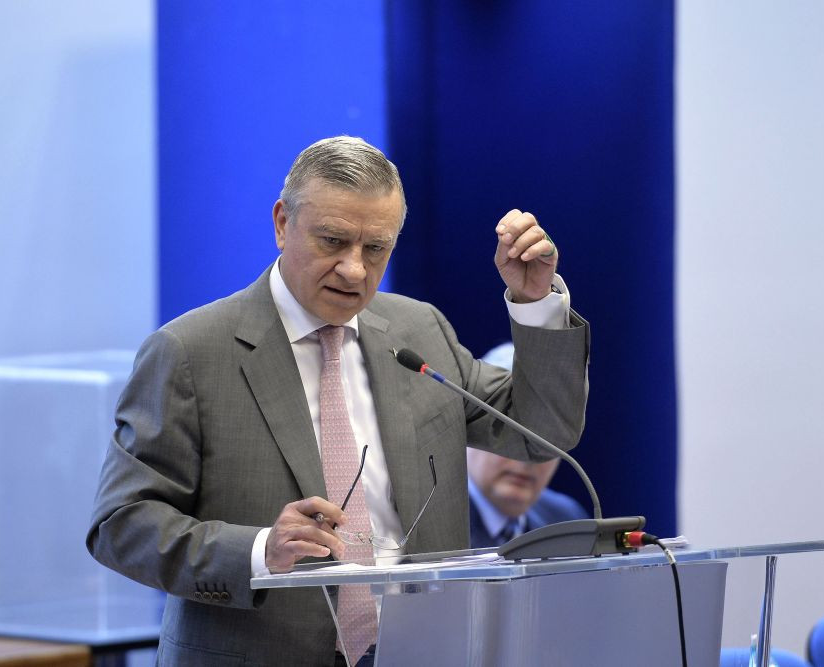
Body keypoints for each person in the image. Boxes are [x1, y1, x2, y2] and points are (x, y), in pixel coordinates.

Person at [86, 136, 590, 666]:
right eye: (332, 241)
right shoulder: (191, 352)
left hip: (421, 651)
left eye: (375, 249)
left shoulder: (419, 330)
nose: (354, 269)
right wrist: (259, 550)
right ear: (282, 223)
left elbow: (543, 431)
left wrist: (535, 301)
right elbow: (121, 524)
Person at [467, 342, 588, 549]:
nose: (526, 460)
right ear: (470, 422)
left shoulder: (568, 523)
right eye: (510, 432)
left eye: (544, 439)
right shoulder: (425, 523)